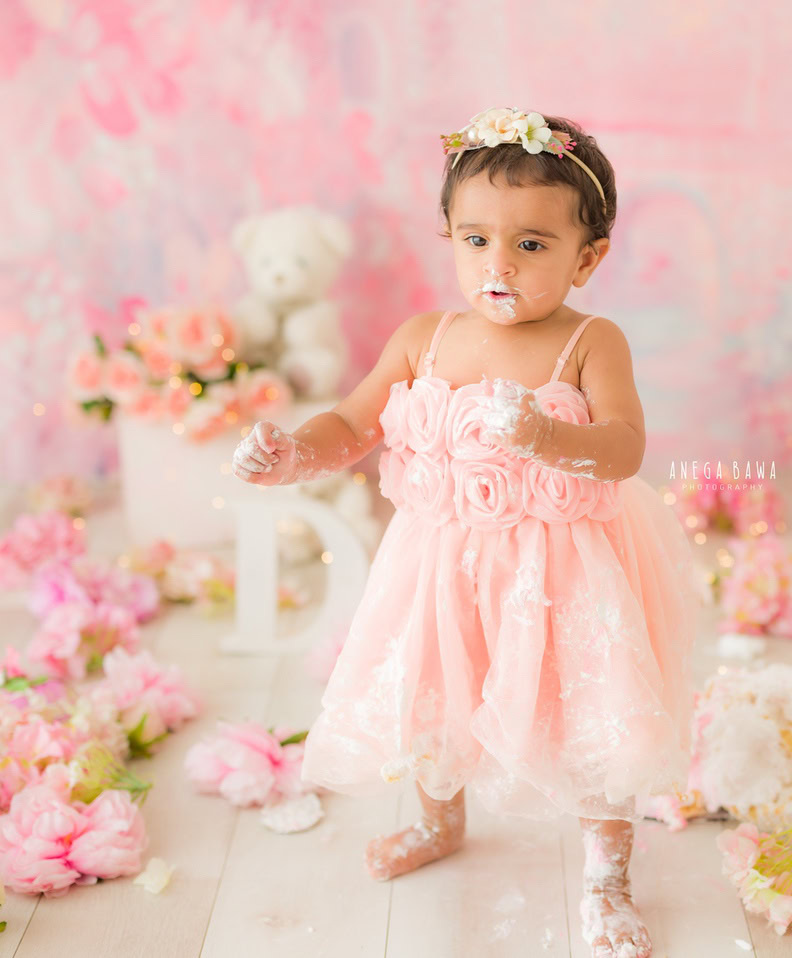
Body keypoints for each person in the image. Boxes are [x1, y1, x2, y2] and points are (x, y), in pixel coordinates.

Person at [232, 108, 698, 958]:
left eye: (530, 245)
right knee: (435, 696)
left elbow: (626, 449)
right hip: (440, 565)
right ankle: (441, 822)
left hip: (561, 572)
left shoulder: (592, 343)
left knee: (590, 710)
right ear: (447, 236)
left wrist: (553, 438)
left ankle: (605, 875)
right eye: (476, 239)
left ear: (586, 256)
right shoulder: (424, 339)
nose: (498, 264)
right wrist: (295, 454)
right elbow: (352, 423)